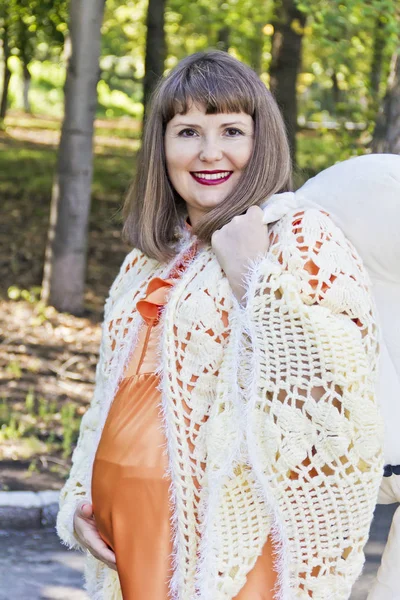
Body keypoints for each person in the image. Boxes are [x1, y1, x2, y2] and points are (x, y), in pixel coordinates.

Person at [56, 50, 384, 600]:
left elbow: (337, 395)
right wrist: (78, 500)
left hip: (227, 539)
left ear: (262, 142)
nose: (210, 152)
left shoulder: (298, 233)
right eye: (188, 132)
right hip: (128, 532)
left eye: (232, 129)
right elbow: (106, 399)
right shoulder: (148, 259)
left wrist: (252, 276)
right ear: (162, 147)